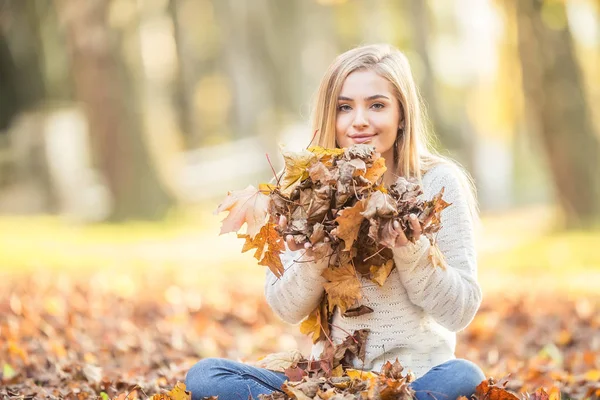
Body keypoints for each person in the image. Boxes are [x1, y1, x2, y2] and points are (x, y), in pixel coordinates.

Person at [186, 43, 485, 400]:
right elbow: (286, 307)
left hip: (414, 379)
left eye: (377, 105)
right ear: (331, 117)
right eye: (345, 107)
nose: (359, 120)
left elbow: (460, 311)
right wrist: (314, 257)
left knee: (465, 375)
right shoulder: (305, 189)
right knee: (206, 376)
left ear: (402, 115)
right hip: (333, 382)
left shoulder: (436, 183)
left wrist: (412, 250)